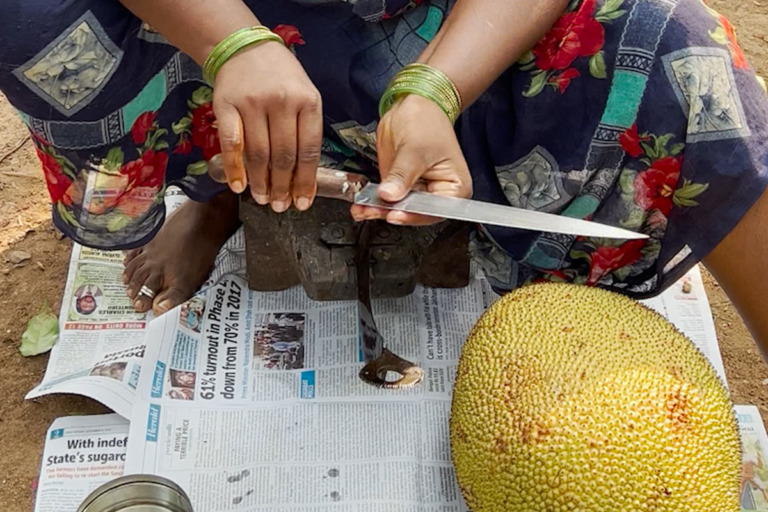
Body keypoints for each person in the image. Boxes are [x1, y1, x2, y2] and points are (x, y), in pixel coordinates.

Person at [1, 1, 767, 352]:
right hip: (214, 26)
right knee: (30, 17)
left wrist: (436, 89)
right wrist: (230, 41)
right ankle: (221, 187)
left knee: (684, 50)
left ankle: (422, 144)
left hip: (441, 29)